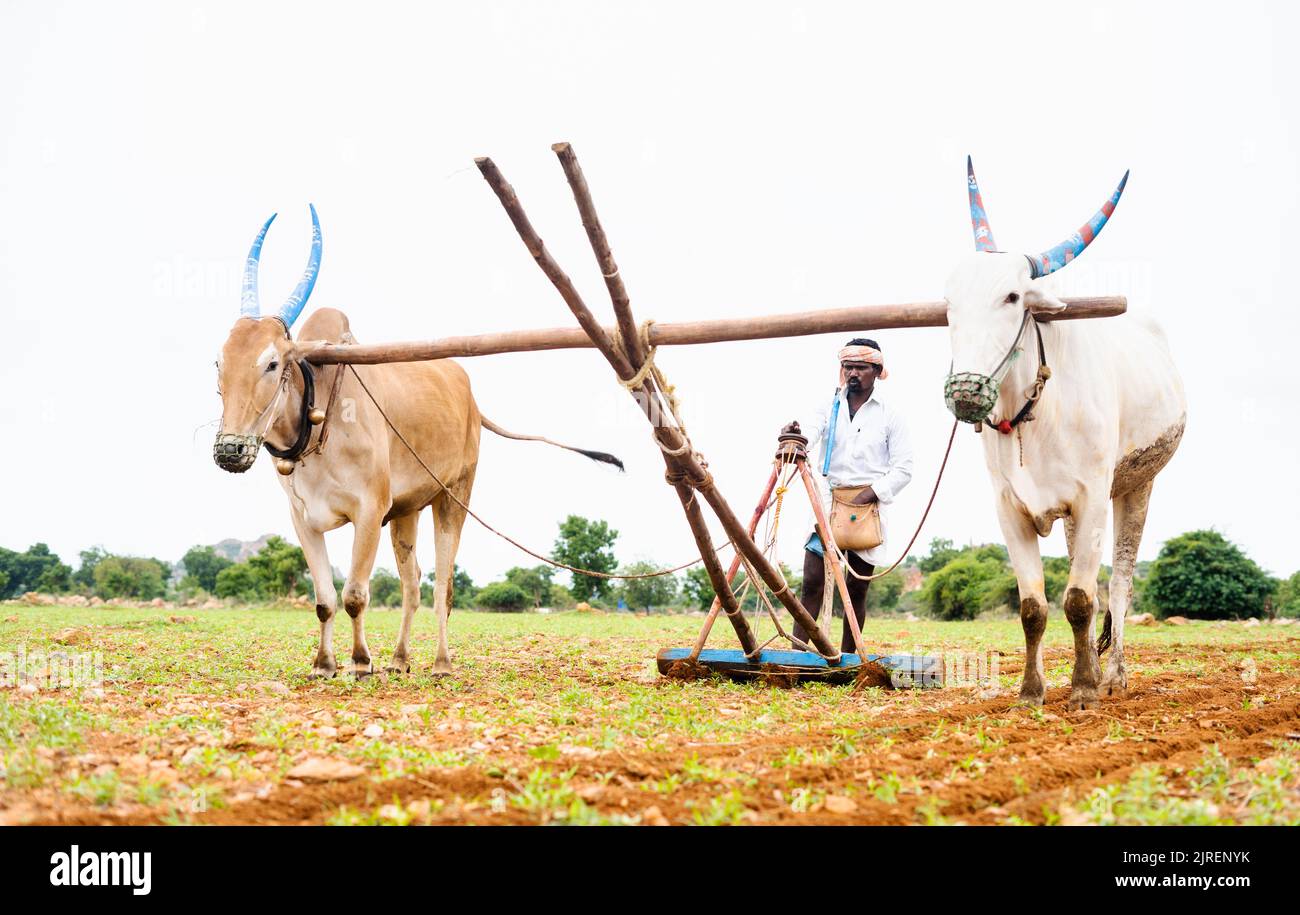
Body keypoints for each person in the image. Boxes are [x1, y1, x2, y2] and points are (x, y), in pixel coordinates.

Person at [780, 337, 913, 653]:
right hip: (828, 501)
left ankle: (849, 659)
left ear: (876, 370)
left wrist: (869, 494)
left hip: (868, 507)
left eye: (861, 368)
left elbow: (904, 468)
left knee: (855, 589)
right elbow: (810, 433)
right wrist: (796, 438)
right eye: (847, 367)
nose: (853, 374)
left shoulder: (890, 414)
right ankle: (798, 656)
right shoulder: (828, 406)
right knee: (812, 580)